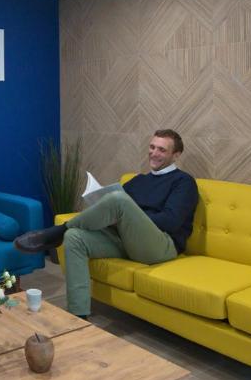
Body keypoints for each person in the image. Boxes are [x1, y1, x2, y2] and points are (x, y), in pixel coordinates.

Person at [14, 129, 198, 318]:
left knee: (118, 199)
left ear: (176, 155)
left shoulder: (184, 182)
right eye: (152, 147)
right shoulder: (138, 180)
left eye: (162, 150)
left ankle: (56, 232)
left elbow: (171, 221)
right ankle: (78, 315)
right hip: (127, 240)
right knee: (74, 237)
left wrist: (131, 219)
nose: (154, 152)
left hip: (161, 246)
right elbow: (112, 207)